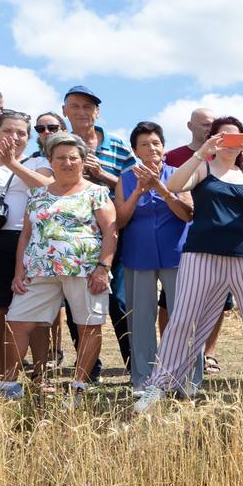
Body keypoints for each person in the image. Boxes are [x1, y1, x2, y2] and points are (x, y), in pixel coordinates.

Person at [134, 117, 243, 411]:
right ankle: (159, 384)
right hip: (201, 253)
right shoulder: (204, 167)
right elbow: (175, 184)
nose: (231, 143)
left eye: (237, 138)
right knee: (183, 318)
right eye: (225, 137)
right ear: (214, 139)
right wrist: (201, 152)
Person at [0, 132, 117, 402]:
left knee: (89, 326)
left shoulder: (96, 192)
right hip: (39, 270)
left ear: (83, 161)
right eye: (60, 157)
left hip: (85, 270)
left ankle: (78, 387)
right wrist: (19, 271)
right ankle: (8, 386)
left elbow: (111, 232)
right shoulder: (38, 193)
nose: (67, 162)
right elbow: (26, 235)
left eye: (73, 157)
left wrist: (102, 267)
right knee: (17, 321)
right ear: (50, 161)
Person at [114, 121, 201, 391]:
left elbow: (187, 213)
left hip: (177, 254)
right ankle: (143, 379)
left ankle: (188, 380)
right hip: (138, 255)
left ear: (163, 147)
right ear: (135, 151)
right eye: (144, 144)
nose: (151, 148)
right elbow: (120, 220)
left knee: (185, 317)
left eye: (156, 143)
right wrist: (139, 190)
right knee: (140, 319)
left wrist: (162, 190)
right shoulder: (126, 178)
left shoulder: (178, 175)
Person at [62, 85, 134, 374]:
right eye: (75, 106)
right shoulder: (57, 145)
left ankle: (135, 365)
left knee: (119, 300)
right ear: (65, 110)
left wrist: (101, 174)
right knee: (75, 303)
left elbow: (134, 187)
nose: (82, 112)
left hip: (115, 231)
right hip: (71, 237)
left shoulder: (116, 145)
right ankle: (89, 369)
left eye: (88, 107)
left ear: (98, 112)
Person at [163, 106, 226, 373]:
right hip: (182, 236)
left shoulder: (227, 156)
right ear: (190, 126)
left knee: (219, 300)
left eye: (212, 125)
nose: (208, 130)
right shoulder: (173, 156)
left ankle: (208, 353)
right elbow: (173, 186)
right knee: (171, 301)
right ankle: (169, 351)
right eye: (203, 125)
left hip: (220, 238)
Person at [0, 111, 53, 378]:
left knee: (34, 309)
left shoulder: (38, 161)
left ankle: (40, 372)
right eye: (8, 131)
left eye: (21, 133)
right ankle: (2, 372)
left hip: (28, 242)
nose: (15, 137)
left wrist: (12, 163)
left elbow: (47, 186)